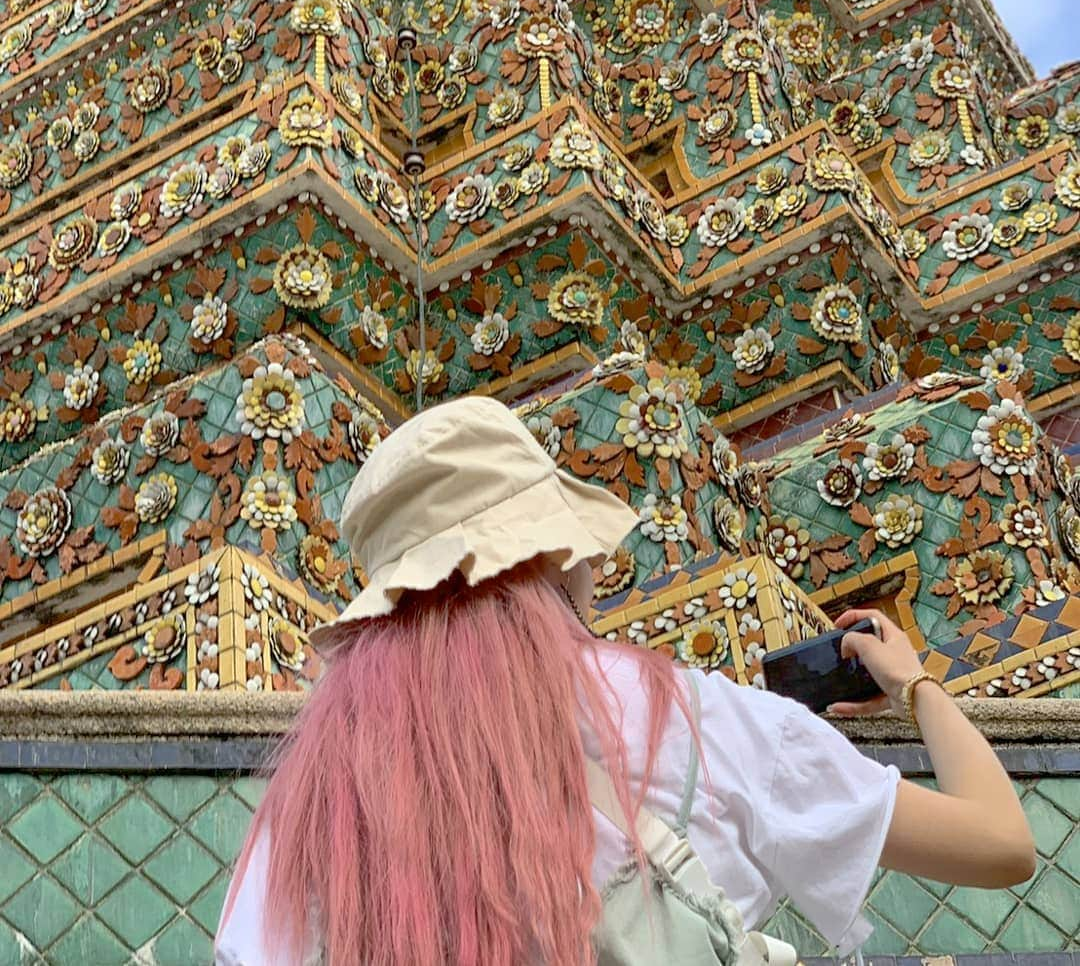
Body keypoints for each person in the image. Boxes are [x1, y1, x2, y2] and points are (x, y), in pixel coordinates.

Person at [215, 396, 1035, 966]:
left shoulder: (310, 815)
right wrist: (918, 682)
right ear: (553, 549)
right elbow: (1002, 844)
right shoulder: (690, 717)